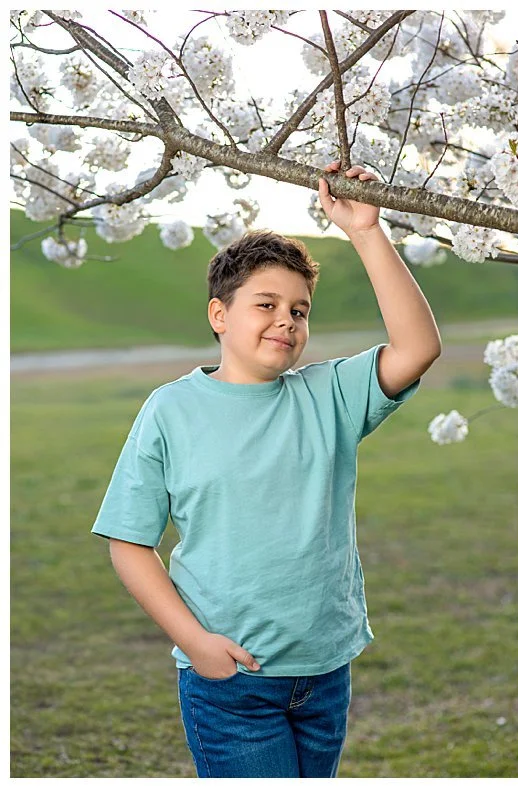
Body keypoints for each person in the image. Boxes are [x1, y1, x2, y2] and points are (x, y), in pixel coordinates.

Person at [91, 162, 441, 778]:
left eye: (300, 310)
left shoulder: (329, 395)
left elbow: (417, 348)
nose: (287, 319)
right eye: (266, 304)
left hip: (324, 671)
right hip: (232, 679)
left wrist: (364, 231)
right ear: (219, 315)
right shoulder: (171, 411)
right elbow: (129, 542)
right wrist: (197, 645)